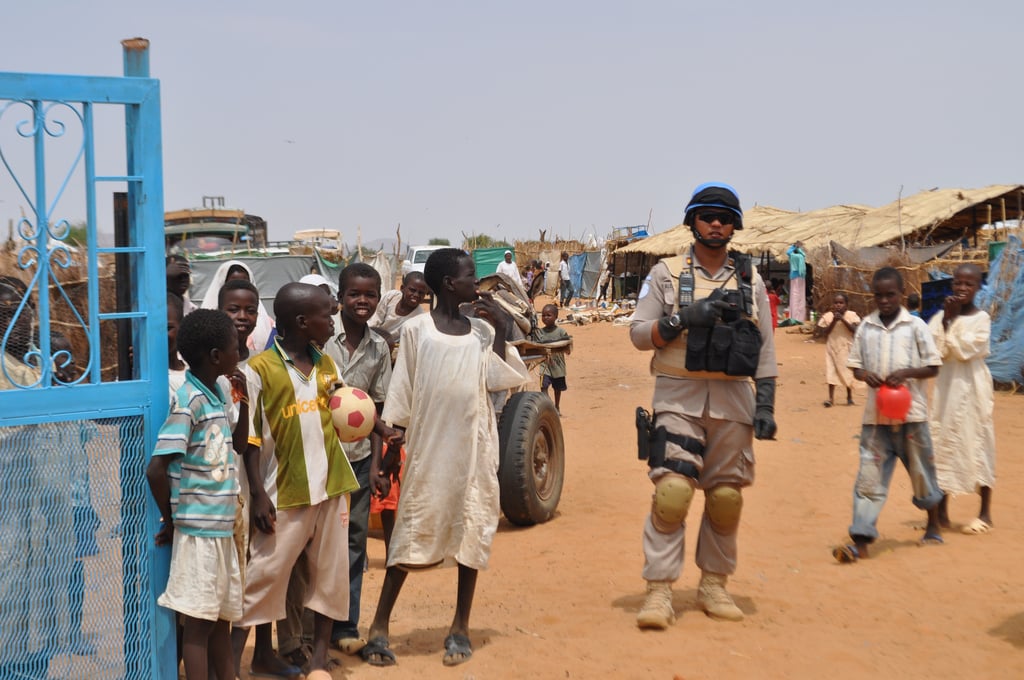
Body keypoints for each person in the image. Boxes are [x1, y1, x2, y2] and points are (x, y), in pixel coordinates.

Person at [360, 248, 528, 667]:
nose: (478, 283)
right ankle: (379, 628)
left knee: (470, 531)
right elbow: (401, 395)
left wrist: (503, 328)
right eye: (472, 276)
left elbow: (497, 379)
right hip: (430, 450)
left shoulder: (480, 333)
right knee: (410, 532)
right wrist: (393, 452)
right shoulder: (418, 331)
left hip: (473, 449)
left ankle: (460, 627)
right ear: (450, 284)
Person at [629, 182, 778, 627]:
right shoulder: (665, 274)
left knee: (726, 498)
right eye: (708, 215)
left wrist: (766, 405)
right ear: (692, 220)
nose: (717, 223)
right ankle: (658, 592)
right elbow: (639, 334)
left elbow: (766, 349)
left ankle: (714, 585)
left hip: (734, 402)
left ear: (736, 225)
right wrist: (681, 319)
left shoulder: (751, 280)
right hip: (677, 395)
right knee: (672, 495)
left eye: (726, 217)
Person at [230, 283, 362, 677]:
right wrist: (258, 494)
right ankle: (236, 664)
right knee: (264, 577)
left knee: (329, 577)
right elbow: (251, 441)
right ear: (303, 322)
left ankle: (319, 661)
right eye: (327, 314)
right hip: (283, 492)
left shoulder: (327, 365)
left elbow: (342, 412)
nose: (333, 319)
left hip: (333, 487)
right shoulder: (258, 370)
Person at [147, 309, 243, 680]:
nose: (241, 350)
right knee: (199, 625)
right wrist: (171, 520)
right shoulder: (189, 402)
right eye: (236, 346)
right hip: (199, 533)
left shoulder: (217, 392)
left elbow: (232, 444)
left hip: (219, 530)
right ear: (216, 356)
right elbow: (156, 468)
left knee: (220, 620)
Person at [833, 267, 943, 564]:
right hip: (876, 418)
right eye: (879, 295)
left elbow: (933, 366)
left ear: (901, 294)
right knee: (869, 478)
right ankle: (861, 540)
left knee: (922, 471)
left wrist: (907, 372)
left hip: (912, 416)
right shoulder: (866, 327)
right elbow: (855, 365)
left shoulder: (916, 326)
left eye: (890, 294)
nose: (884, 301)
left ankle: (933, 524)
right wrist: (864, 374)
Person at [322, 263, 394, 655]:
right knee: (317, 542)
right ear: (340, 297)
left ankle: (345, 626)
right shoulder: (320, 340)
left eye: (369, 294)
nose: (362, 301)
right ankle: (312, 626)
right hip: (320, 459)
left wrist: (379, 464)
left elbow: (379, 408)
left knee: (354, 544)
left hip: (361, 459)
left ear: (379, 298)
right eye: (354, 294)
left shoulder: (379, 348)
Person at [927, 264, 996, 535]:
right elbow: (935, 352)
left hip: (974, 389)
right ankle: (941, 511)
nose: (962, 288)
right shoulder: (939, 318)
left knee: (979, 442)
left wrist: (950, 326)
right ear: (951, 284)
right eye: (958, 283)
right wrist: (946, 320)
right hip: (947, 390)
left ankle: (985, 513)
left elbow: (967, 350)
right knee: (942, 442)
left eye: (969, 284)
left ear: (978, 287)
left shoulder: (982, 319)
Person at [200, 260, 276, 352]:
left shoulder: (267, 323)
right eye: (233, 309)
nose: (242, 316)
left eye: (245, 284)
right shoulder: (203, 327)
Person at [816, 292, 861, 406]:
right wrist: (834, 321)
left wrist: (843, 320)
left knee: (847, 372)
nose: (838, 305)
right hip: (832, 348)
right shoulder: (828, 317)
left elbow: (854, 330)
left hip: (847, 348)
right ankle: (831, 399)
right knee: (831, 371)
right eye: (836, 303)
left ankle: (849, 396)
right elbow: (824, 332)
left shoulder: (851, 316)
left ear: (846, 305)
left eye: (841, 303)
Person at [369, 271, 429, 352]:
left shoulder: (419, 317)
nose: (416, 295)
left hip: (392, 348)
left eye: (421, 293)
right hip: (372, 336)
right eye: (412, 290)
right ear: (402, 288)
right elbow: (375, 319)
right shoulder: (391, 297)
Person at [531, 304, 571, 414]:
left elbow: (568, 347)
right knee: (543, 386)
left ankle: (557, 406)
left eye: (549, 315)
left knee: (557, 388)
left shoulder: (561, 332)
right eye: (543, 315)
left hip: (558, 365)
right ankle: (549, 407)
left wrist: (567, 349)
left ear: (556, 317)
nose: (545, 318)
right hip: (545, 364)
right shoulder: (540, 333)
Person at [786, 242, 807, 322]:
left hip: (794, 277)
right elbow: (804, 254)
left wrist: (793, 246)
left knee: (794, 297)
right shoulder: (801, 256)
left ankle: (794, 317)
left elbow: (788, 252)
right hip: (802, 277)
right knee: (801, 297)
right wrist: (798, 248)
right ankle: (800, 317)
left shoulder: (793, 256)